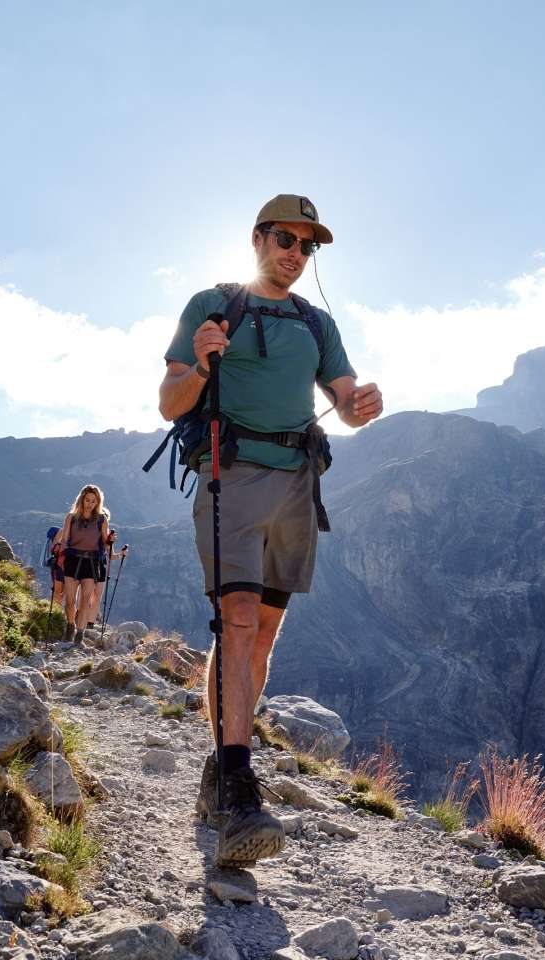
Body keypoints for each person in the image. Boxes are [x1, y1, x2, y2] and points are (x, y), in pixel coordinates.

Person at [156, 194, 383, 867]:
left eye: (307, 245)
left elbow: (344, 402)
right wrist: (199, 364)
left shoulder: (316, 323)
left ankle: (221, 769)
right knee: (239, 620)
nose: (296, 253)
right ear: (257, 238)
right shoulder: (214, 303)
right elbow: (170, 401)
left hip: (296, 484)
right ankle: (236, 782)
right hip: (234, 474)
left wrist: (361, 406)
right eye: (286, 238)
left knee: (262, 639)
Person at [51, 484, 125, 642]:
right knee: (70, 601)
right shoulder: (71, 517)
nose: (90, 504)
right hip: (72, 560)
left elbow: (104, 544)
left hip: (91, 563)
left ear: (98, 502)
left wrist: (110, 541)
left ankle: (80, 634)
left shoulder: (101, 519)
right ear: (82, 500)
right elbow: (65, 540)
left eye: (94, 501)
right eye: (87, 500)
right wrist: (59, 548)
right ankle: (70, 626)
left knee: (85, 600)